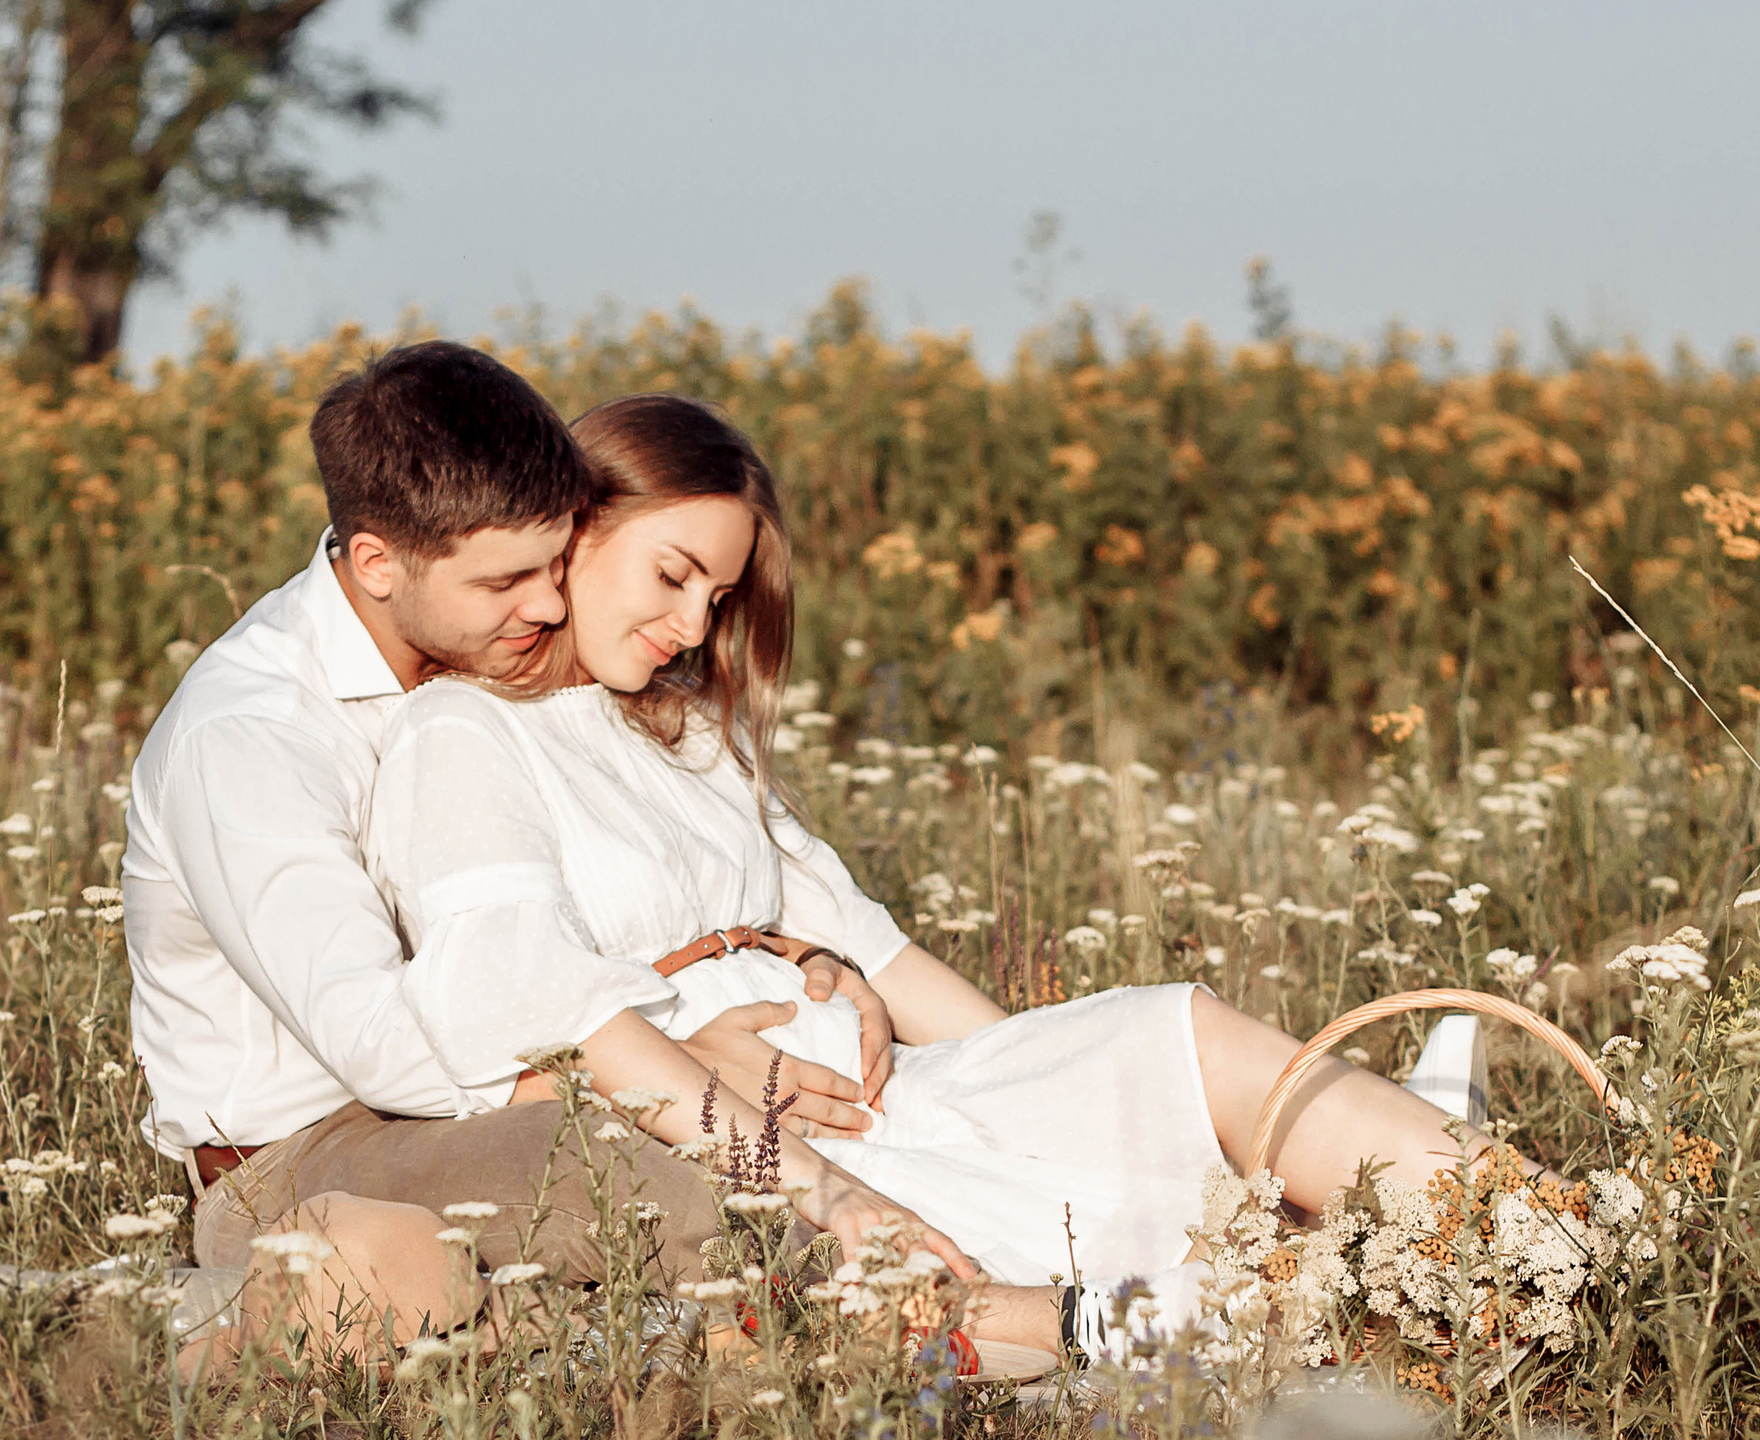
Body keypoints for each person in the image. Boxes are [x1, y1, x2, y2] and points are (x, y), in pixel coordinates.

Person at [365, 393, 1505, 1363]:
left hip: (881, 1091)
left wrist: (1048, 1079)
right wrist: (828, 1187)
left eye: (715, 600)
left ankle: (1510, 1213)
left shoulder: (691, 736)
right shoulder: (465, 735)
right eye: (673, 576)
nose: (689, 624)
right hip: (752, 1144)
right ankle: (1260, 1296)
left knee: (1166, 1032)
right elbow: (545, 1014)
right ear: (575, 531)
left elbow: (879, 952)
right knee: (949, 1260)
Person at [120, 344, 939, 1359]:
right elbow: (382, 1048)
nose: (548, 606)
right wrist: (670, 1057)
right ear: (376, 564)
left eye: (555, 566)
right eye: (508, 580)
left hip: (503, 1096)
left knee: (724, 1150)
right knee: (653, 1179)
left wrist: (807, 968)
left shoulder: (489, 660)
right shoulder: (250, 739)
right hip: (315, 1147)